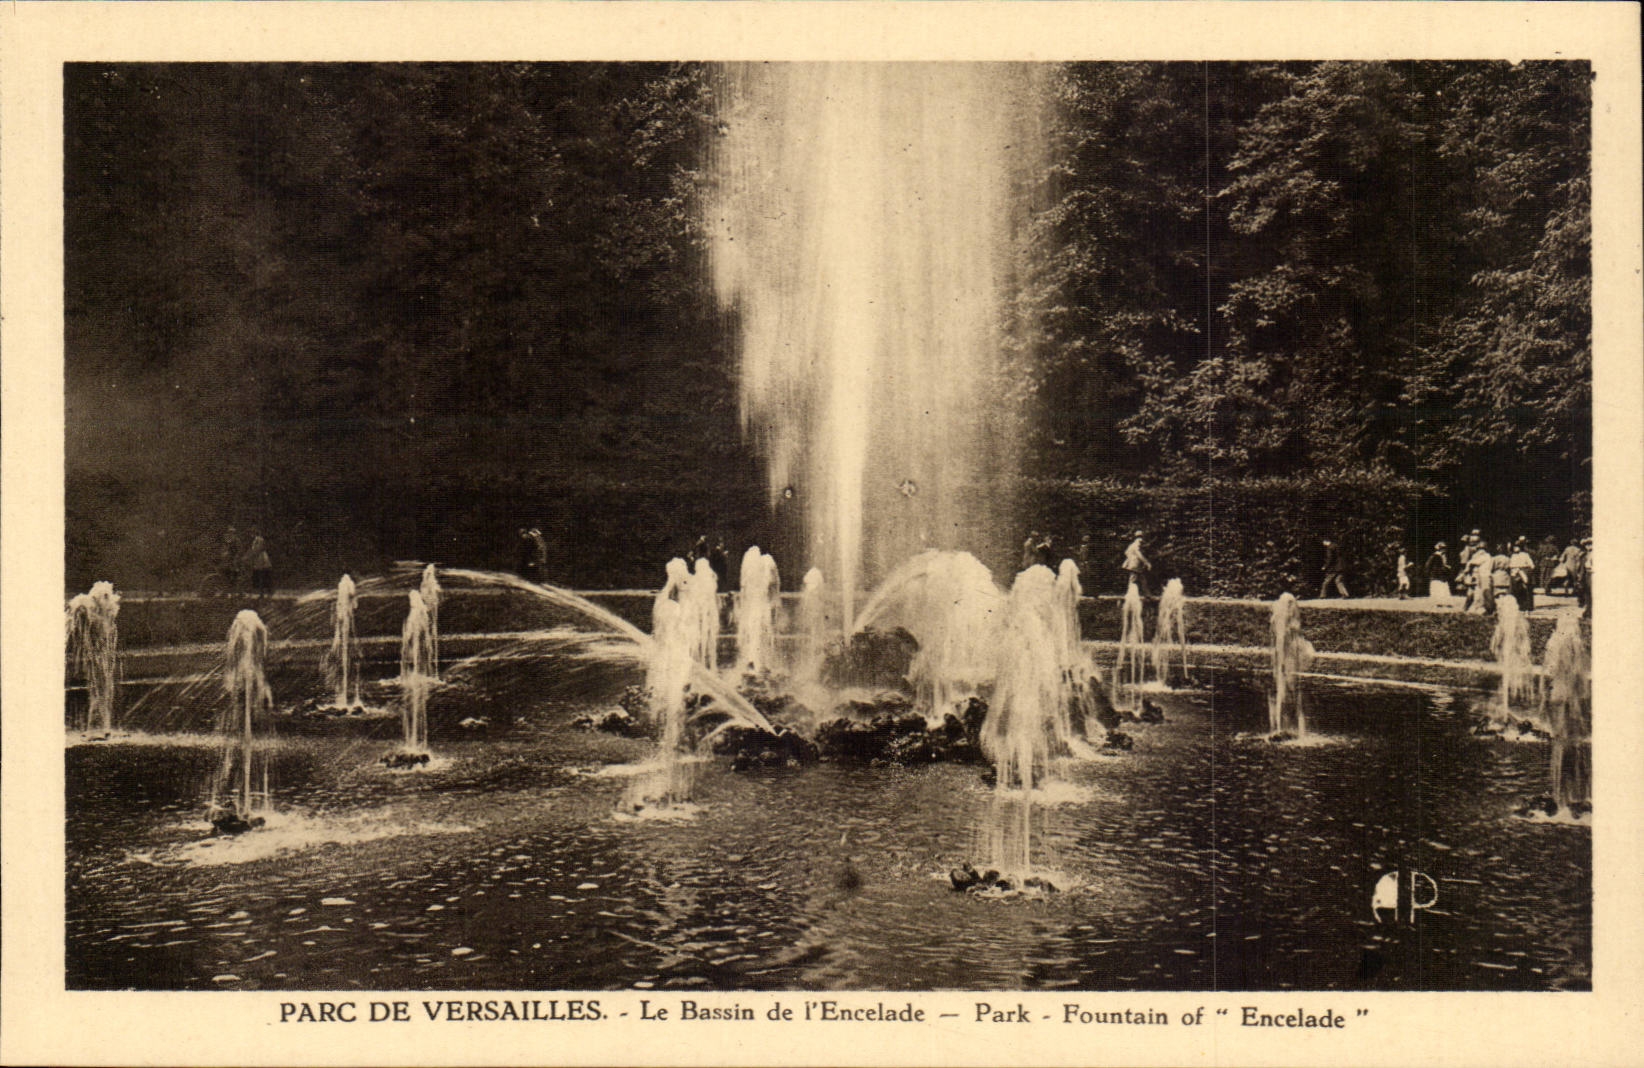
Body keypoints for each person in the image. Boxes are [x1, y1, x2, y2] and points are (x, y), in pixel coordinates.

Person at [1122, 530, 1152, 597]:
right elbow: (1139, 554)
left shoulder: (1132, 545)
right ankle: (1130, 595)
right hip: (1135, 565)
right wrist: (1146, 562)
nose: (1141, 539)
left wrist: (1130, 558)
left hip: (1135, 564)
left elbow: (1126, 552)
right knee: (1134, 579)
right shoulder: (1138, 543)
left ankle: (1147, 594)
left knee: (1141, 579)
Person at [1509, 538, 1536, 611]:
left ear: (1520, 547)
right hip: (1515, 573)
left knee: (1526, 589)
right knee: (1515, 589)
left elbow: (1532, 565)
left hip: (1524, 572)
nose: (1515, 548)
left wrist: (1526, 571)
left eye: (1517, 547)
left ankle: (1527, 606)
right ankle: (1518, 605)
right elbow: (1510, 565)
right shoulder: (1513, 556)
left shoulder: (1525, 555)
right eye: (1514, 547)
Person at [244, 533, 272, 599]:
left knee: (262, 575)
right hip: (257, 558)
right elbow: (253, 549)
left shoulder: (259, 539)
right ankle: (262, 592)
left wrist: (249, 556)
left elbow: (257, 549)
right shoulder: (254, 540)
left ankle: (265, 592)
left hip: (261, 558)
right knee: (259, 575)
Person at [217, 525, 243, 596]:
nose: (230, 534)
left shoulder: (237, 541)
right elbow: (223, 550)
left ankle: (238, 593)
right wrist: (223, 555)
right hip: (227, 561)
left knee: (235, 577)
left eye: (232, 532)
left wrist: (236, 559)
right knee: (224, 575)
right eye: (229, 532)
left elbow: (239, 551)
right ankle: (225, 591)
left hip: (234, 561)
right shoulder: (227, 541)